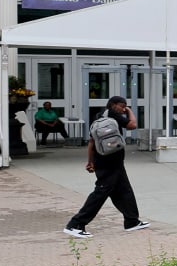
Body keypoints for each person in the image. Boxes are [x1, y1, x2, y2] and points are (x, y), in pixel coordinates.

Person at [64, 96, 150, 237]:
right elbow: (133, 125)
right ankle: (75, 224)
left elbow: (92, 141)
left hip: (109, 162)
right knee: (101, 192)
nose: (123, 108)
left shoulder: (99, 116)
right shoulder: (113, 115)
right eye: (122, 106)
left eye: (125, 106)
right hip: (108, 163)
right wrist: (129, 111)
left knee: (124, 190)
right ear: (112, 105)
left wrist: (90, 161)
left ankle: (131, 221)